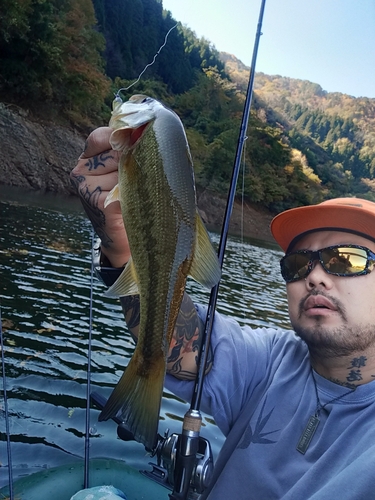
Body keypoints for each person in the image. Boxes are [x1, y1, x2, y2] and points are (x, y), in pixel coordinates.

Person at [71, 127, 375, 499]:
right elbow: (184, 347)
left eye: (346, 260)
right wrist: (121, 246)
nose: (314, 276)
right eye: (298, 263)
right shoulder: (269, 361)